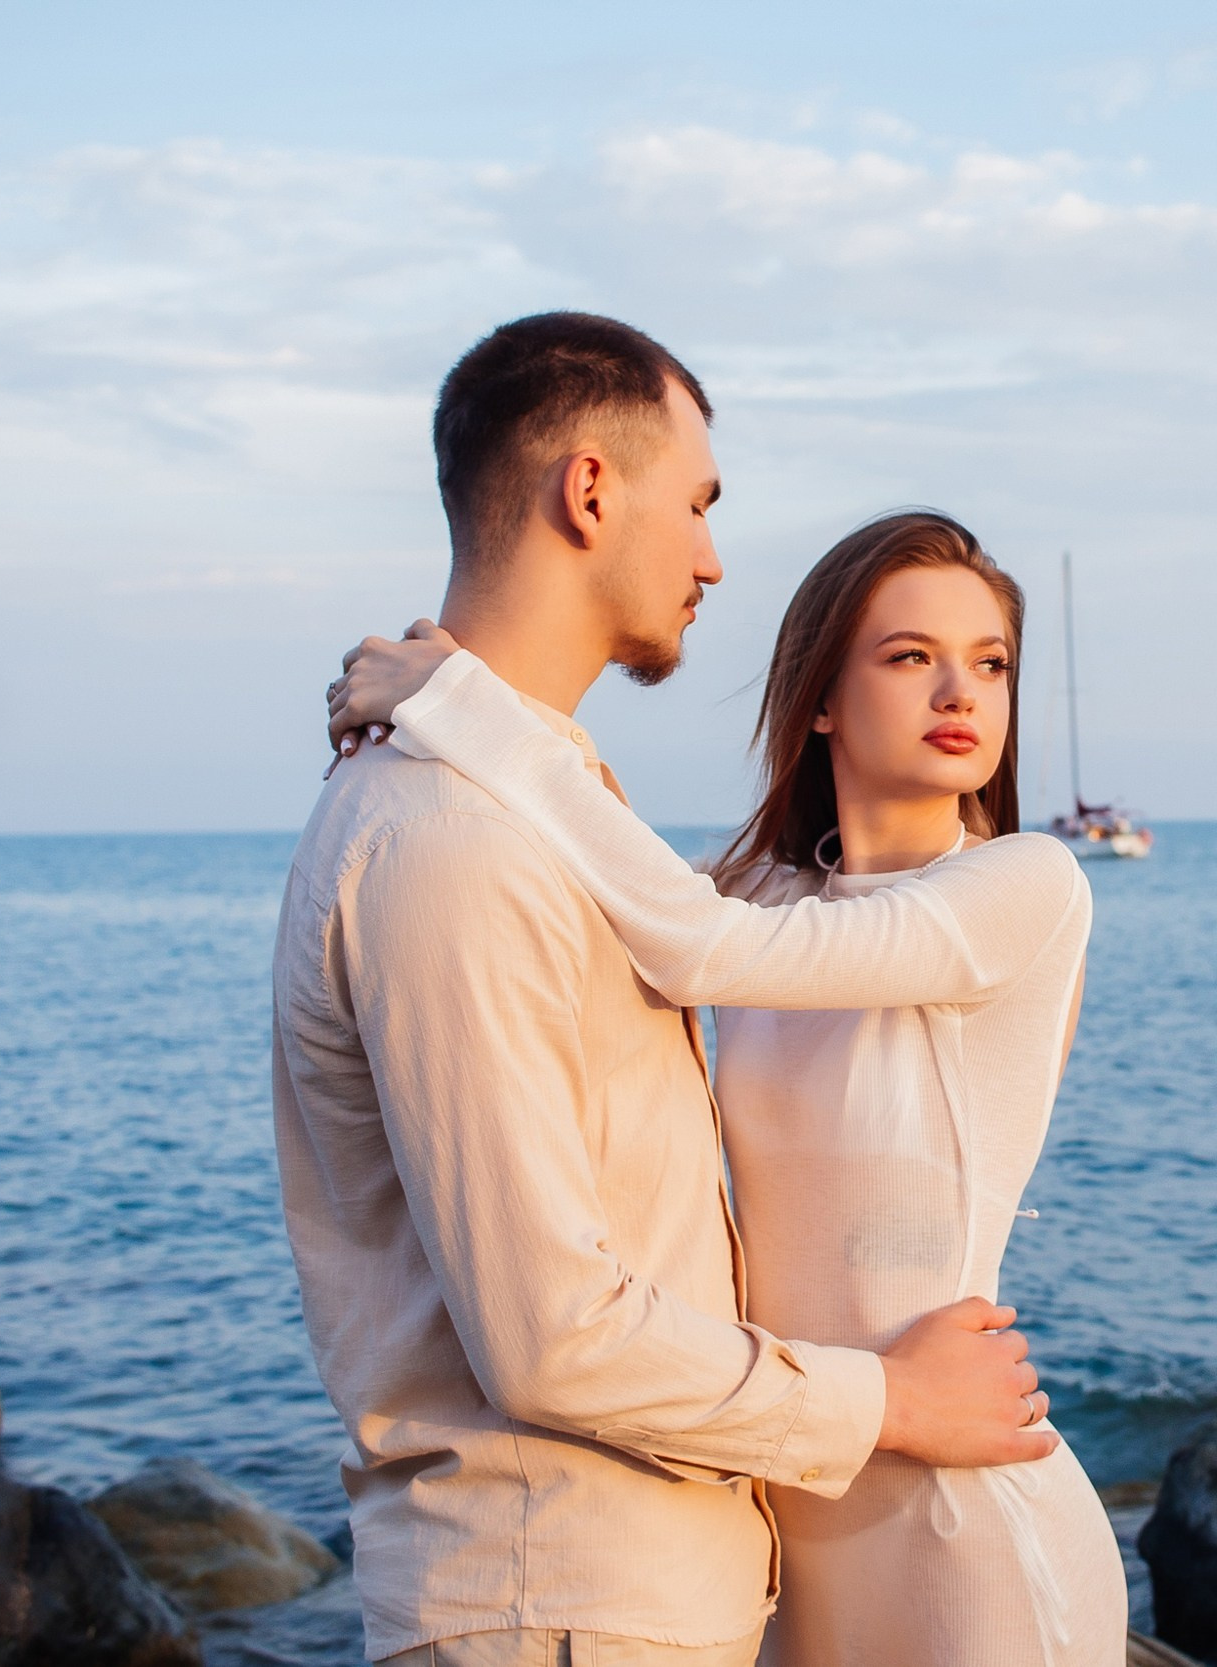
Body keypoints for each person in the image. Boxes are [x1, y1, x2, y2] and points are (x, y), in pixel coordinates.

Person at [272, 313, 1060, 1667]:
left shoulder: (552, 820)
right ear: (591, 491)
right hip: (562, 1604)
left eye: (988, 661)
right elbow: (552, 1339)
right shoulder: (458, 841)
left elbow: (686, 934)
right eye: (696, 505)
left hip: (668, 1582)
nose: (709, 558)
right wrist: (888, 1403)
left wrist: (456, 701)